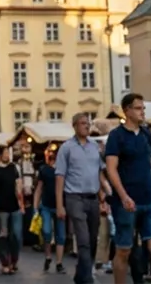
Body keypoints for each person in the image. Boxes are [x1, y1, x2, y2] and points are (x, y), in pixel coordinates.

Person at [105, 94, 151, 284]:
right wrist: (123, 196)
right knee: (124, 250)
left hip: (149, 200)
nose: (143, 112)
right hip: (126, 202)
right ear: (127, 111)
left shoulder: (146, 134)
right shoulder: (116, 136)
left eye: (143, 108)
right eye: (138, 108)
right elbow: (111, 169)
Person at [55, 112, 109, 284]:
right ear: (75, 126)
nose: (87, 126)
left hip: (93, 198)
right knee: (83, 240)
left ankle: (81, 275)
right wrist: (59, 205)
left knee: (92, 240)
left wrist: (104, 196)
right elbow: (60, 176)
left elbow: (99, 173)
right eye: (83, 123)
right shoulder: (66, 148)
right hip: (74, 198)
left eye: (88, 123)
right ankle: (88, 279)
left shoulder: (95, 147)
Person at [0, 145, 24, 273]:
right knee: (3, 235)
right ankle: (5, 262)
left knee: (16, 234)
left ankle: (14, 260)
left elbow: (18, 185)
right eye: (5, 153)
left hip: (15, 206)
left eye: (8, 153)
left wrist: (21, 203)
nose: (7, 155)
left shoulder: (14, 168)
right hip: (1, 208)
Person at [33, 150, 66, 274]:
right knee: (46, 231)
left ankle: (59, 263)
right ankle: (48, 256)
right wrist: (35, 207)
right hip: (46, 205)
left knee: (60, 235)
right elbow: (39, 188)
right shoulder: (45, 170)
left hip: (60, 206)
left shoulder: (65, 169)